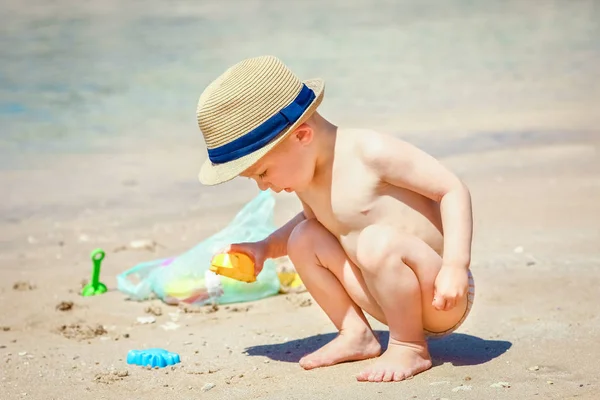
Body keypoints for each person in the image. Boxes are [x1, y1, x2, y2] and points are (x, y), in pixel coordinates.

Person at [196, 55, 475, 382]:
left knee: (375, 240)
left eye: (263, 172)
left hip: (439, 294)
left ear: (302, 136)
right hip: (382, 294)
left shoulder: (370, 152)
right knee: (304, 235)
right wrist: (265, 248)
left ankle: (409, 345)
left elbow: (451, 190)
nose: (264, 186)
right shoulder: (306, 175)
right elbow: (318, 221)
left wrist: (455, 266)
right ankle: (355, 333)